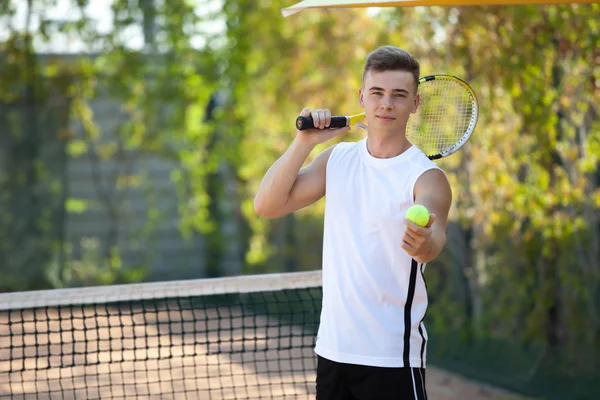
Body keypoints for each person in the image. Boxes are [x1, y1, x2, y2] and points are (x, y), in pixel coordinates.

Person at [253, 45, 452, 400]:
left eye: (399, 95)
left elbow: (434, 239)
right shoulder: (337, 159)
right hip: (332, 351)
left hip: (392, 358)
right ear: (362, 96)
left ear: (415, 104)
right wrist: (304, 143)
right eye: (377, 93)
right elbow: (266, 205)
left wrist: (424, 242)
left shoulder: (426, 177)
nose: (386, 104)